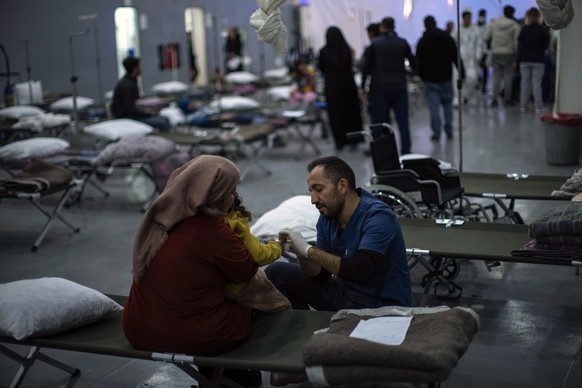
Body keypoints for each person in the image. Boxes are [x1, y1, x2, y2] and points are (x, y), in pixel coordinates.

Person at [123, 155, 262, 387]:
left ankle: (219, 375)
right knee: (256, 303)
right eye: (230, 191)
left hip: (137, 328)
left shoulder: (160, 219)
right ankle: (232, 373)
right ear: (213, 194)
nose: (235, 197)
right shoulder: (213, 231)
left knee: (196, 302)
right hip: (188, 335)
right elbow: (246, 272)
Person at [265, 155, 412, 310]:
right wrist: (301, 254)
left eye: (319, 189)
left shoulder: (378, 216)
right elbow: (321, 275)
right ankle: (300, 326)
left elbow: (362, 270)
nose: (313, 200)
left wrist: (309, 250)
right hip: (347, 294)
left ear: (342, 186)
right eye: (311, 191)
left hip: (381, 305)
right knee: (277, 272)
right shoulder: (327, 218)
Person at [360, 17, 415, 155]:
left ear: (382, 28)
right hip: (400, 86)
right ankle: (406, 151)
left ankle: (378, 150)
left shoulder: (376, 44)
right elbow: (414, 64)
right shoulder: (402, 43)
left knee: (378, 122)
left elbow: (367, 67)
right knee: (403, 121)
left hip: (380, 87)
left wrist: (362, 85)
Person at [224, 193, 283, 297]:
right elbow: (257, 255)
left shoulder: (194, 218)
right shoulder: (234, 220)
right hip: (235, 288)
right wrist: (277, 246)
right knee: (278, 302)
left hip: (206, 290)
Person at [415, 15, 463, 141]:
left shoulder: (423, 41)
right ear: (436, 23)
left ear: (425, 25)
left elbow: (418, 62)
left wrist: (420, 75)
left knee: (434, 107)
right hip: (446, 78)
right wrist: (462, 72)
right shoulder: (448, 39)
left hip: (430, 80)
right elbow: (456, 57)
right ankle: (449, 129)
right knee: (448, 105)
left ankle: (436, 132)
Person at [318, 26, 364, 152]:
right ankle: (353, 139)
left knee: (336, 115)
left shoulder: (323, 52)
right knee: (351, 113)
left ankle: (340, 141)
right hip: (348, 86)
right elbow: (350, 66)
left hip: (332, 87)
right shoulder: (347, 50)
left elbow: (321, 68)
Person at [110, 56, 171, 132]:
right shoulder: (128, 85)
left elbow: (135, 104)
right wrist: (150, 114)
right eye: (139, 66)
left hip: (132, 116)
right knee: (162, 123)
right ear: (135, 68)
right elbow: (130, 109)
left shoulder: (130, 81)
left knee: (165, 119)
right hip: (127, 118)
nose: (141, 68)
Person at [485, 5, 521, 107]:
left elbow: (486, 37)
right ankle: (507, 99)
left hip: (496, 53)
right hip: (509, 53)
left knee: (496, 77)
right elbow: (516, 42)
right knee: (508, 77)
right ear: (512, 13)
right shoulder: (515, 25)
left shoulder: (493, 23)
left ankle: (494, 99)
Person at [517, 7, 550, 114]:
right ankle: (538, 106)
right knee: (537, 84)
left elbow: (520, 45)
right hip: (538, 60)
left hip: (525, 59)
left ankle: (523, 106)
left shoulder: (524, 29)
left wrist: (518, 60)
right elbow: (546, 46)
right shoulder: (543, 30)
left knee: (525, 83)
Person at [453, 9, 483, 106]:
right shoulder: (457, 30)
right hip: (459, 58)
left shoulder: (476, 30)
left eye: (470, 18)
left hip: (471, 58)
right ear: (463, 18)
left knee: (473, 78)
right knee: (457, 78)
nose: (468, 20)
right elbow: (453, 43)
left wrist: (478, 55)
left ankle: (465, 95)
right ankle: (458, 97)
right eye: (466, 18)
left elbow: (479, 43)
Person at [477, 9, 490, 94]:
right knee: (480, 68)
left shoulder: (486, 26)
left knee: (484, 68)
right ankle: (481, 83)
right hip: (480, 49)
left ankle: (483, 85)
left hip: (484, 50)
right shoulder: (476, 26)